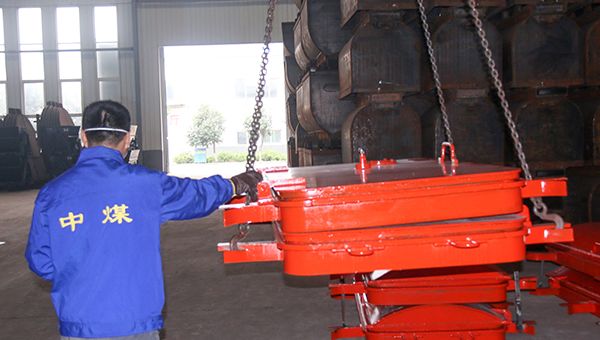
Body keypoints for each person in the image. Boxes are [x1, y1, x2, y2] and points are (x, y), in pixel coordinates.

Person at [25, 100, 262, 340]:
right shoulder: (146, 185)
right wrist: (234, 184)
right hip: (135, 323)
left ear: (83, 137)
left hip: (78, 325)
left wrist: (83, 273)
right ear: (127, 140)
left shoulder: (51, 194)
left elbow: (40, 261)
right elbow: (195, 195)